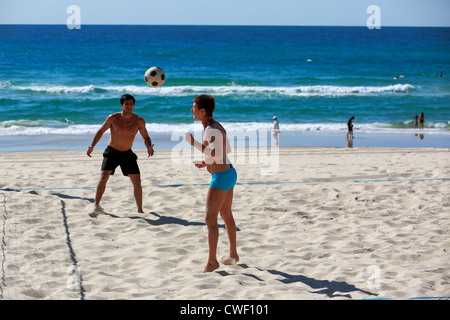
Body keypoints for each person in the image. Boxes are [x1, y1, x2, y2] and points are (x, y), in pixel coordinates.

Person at [185, 94, 239, 273]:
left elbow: (216, 152)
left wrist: (194, 143)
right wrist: (207, 161)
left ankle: (212, 262)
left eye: (194, 107)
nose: (191, 110)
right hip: (228, 172)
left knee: (210, 218)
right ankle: (233, 253)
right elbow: (225, 150)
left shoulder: (210, 129)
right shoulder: (214, 126)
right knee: (226, 214)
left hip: (222, 176)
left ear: (202, 110)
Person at [86, 94, 154, 217]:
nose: (129, 106)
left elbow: (146, 137)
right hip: (112, 152)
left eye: (131, 104)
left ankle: (139, 210)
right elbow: (101, 131)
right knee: (104, 176)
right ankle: (96, 206)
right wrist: (92, 146)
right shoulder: (113, 118)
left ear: (134, 105)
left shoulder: (139, 121)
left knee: (137, 180)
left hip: (127, 153)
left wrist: (148, 147)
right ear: (121, 105)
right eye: (126, 104)